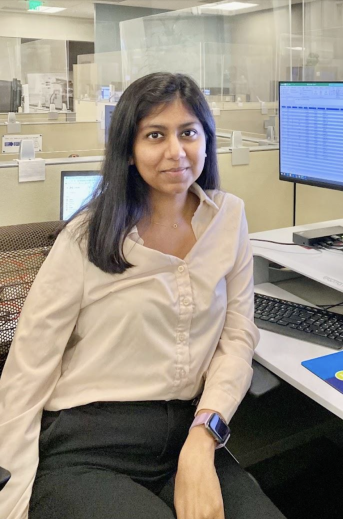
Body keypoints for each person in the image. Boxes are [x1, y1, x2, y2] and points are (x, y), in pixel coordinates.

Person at [0, 73, 278, 519]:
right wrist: (11, 502)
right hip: (88, 445)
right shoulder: (87, 237)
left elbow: (237, 337)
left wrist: (203, 438)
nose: (176, 151)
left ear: (207, 140)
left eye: (188, 132)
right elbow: (26, 372)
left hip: (188, 433)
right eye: (155, 135)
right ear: (129, 151)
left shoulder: (230, 217)